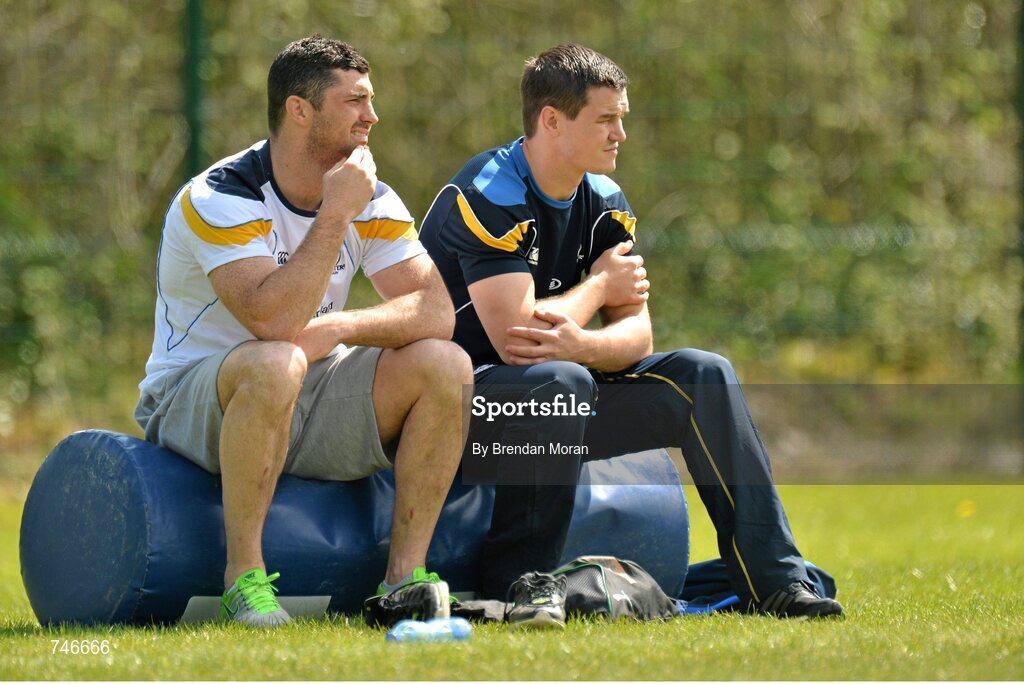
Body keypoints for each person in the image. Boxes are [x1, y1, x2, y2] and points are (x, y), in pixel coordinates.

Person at [419, 44, 844, 627]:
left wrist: (583, 344)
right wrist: (595, 290)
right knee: (556, 380)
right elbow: (518, 339)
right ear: (551, 120)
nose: (621, 133)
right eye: (605, 119)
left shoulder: (606, 200)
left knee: (703, 373)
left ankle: (776, 580)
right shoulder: (491, 192)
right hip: (460, 417)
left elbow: (637, 337)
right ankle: (521, 583)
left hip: (558, 398)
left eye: (623, 117)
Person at [136, 36, 472, 628]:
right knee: (273, 361)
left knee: (446, 362)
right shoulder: (218, 196)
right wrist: (336, 212)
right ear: (300, 110)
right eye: (355, 102)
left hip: (305, 386)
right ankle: (244, 581)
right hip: (194, 399)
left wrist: (341, 326)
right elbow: (275, 323)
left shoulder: (373, 196)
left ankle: (402, 582)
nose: (373, 116)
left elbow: (436, 311)